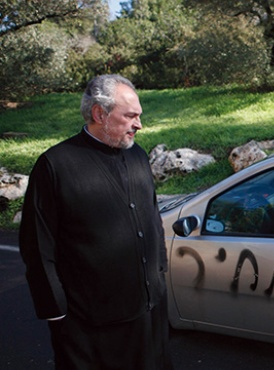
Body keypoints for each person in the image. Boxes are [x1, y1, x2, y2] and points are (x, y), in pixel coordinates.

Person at [19, 74, 173, 370]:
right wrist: (57, 315)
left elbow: (152, 220)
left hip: (149, 316)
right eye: (130, 116)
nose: (138, 125)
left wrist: (160, 274)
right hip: (92, 328)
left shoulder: (139, 156)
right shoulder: (55, 165)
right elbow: (37, 247)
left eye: (138, 116)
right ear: (99, 114)